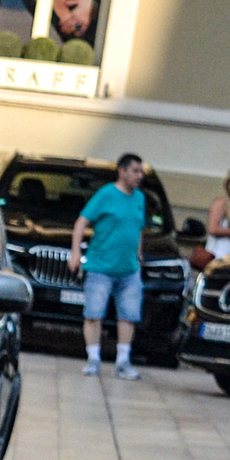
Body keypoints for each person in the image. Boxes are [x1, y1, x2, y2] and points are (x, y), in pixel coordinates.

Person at [69, 150, 148, 381]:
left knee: (129, 316)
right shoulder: (105, 195)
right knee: (93, 314)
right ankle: (93, 358)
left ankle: (123, 360)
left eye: (141, 171)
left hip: (129, 269)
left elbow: (139, 228)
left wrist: (139, 256)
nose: (139, 175)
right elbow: (81, 222)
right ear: (121, 171)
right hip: (101, 266)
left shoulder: (140, 198)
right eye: (135, 171)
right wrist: (76, 252)